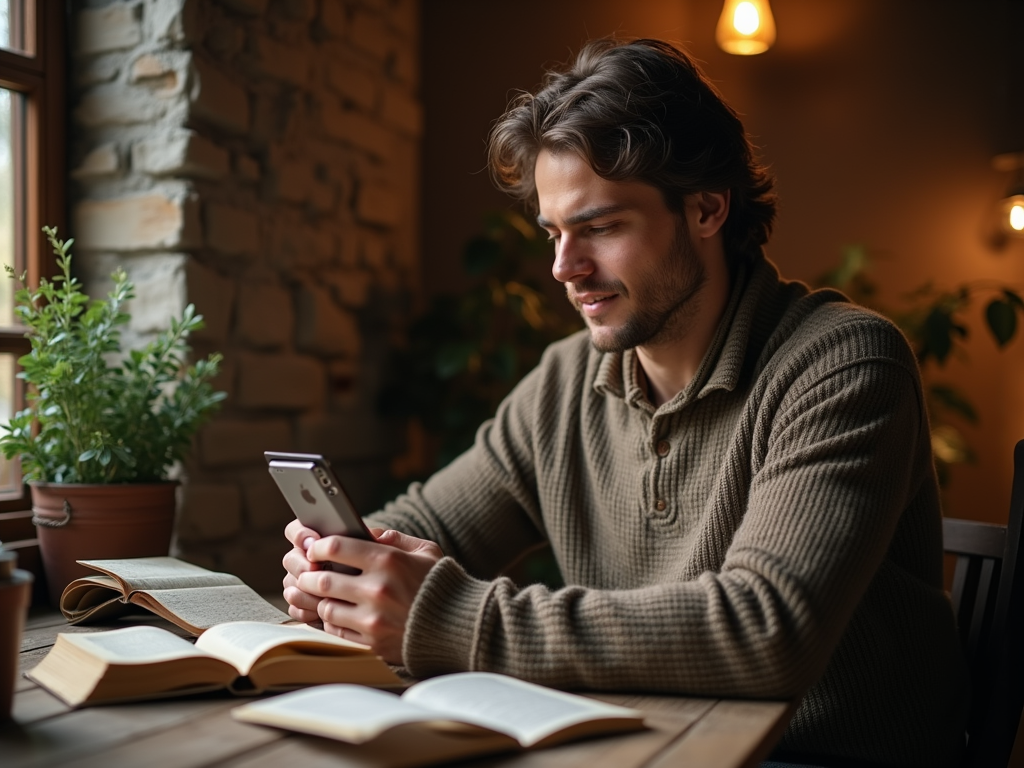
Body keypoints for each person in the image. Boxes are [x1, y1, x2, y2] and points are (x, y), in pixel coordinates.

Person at [282, 38, 969, 767]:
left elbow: (769, 631)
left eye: (601, 228)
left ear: (706, 209)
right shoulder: (566, 380)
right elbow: (427, 524)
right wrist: (338, 567)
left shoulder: (843, 363)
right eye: (554, 233)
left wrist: (456, 618)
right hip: (645, 746)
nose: (564, 269)